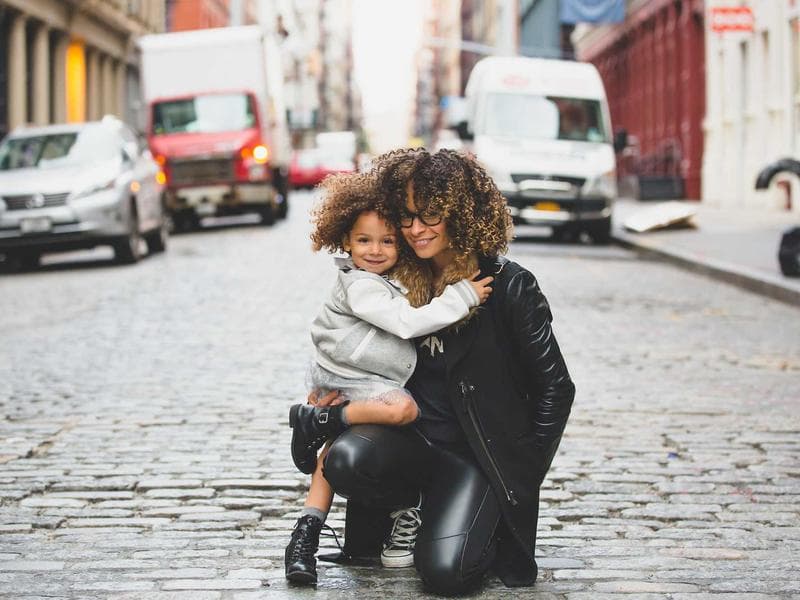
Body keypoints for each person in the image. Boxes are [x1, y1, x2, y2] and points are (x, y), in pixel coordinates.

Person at [317, 148, 576, 595]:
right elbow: (345, 341)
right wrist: (329, 391)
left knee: (445, 575)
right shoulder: (396, 278)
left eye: (431, 216)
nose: (416, 229)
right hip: (412, 444)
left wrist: (520, 473)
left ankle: (475, 517)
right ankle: (410, 508)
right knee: (346, 460)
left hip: (475, 458)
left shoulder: (509, 285)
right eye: (407, 216)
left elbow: (556, 387)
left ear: (462, 213)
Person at [284, 172, 494, 585]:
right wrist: (464, 296)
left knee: (335, 445)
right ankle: (327, 424)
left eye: (387, 241)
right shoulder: (360, 285)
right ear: (345, 240)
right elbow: (404, 323)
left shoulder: (387, 278)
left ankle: (305, 531)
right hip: (355, 376)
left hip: (355, 374)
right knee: (401, 409)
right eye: (364, 241)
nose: (376, 250)